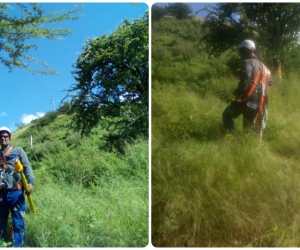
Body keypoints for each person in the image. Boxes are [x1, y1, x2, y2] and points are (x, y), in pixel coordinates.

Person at [222, 39, 272, 134]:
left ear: (245, 51)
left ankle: (232, 138)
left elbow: (246, 79)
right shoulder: (263, 66)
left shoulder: (248, 62)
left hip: (247, 99)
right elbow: (270, 82)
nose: (241, 54)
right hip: (258, 102)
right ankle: (244, 144)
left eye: (241, 52)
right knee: (248, 126)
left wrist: (240, 94)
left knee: (227, 114)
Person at [0, 126, 34, 247]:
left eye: (5, 136)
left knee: (18, 223)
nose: (3, 138)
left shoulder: (18, 151)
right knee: (1, 222)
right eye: (1, 136)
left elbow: (27, 167)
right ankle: (2, 244)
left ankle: (18, 247)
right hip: (1, 195)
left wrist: (30, 183)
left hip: (16, 194)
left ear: (9, 137)